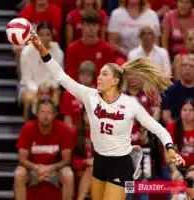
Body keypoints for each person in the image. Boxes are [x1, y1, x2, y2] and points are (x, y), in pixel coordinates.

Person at [29, 34, 185, 200]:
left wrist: (170, 148)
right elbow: (61, 76)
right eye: (100, 74)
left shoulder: (130, 104)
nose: (99, 77)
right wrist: (41, 49)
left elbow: (159, 128)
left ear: (115, 81)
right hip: (100, 161)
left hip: (121, 164)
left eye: (104, 74)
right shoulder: (90, 95)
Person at [14, 100, 74, 200]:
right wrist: (36, 168)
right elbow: (22, 159)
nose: (46, 116)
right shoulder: (27, 128)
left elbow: (67, 160)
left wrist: (50, 168)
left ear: (55, 114)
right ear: (36, 113)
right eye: (42, 112)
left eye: (49, 112)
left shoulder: (63, 129)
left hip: (55, 170)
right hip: (33, 170)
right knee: (19, 173)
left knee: (68, 174)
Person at [19, 22, 63, 121]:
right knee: (29, 99)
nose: (44, 38)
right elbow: (27, 79)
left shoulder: (58, 52)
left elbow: (57, 78)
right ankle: (28, 129)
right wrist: (39, 90)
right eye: (41, 35)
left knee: (55, 99)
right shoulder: (26, 53)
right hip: (30, 87)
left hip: (51, 87)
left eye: (48, 34)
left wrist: (47, 88)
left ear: (52, 36)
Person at [66, 12, 115, 82]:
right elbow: (71, 75)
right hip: (78, 88)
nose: (91, 28)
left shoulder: (107, 49)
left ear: (98, 27)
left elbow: (110, 75)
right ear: (82, 26)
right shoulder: (72, 48)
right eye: (88, 25)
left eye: (94, 25)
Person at [162, 53, 194, 125]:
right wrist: (178, 131)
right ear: (180, 69)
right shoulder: (169, 90)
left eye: (191, 66)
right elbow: (166, 117)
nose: (187, 68)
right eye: (184, 65)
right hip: (176, 131)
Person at [72, 109, 93, 200]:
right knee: (90, 169)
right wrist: (87, 162)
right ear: (82, 117)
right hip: (81, 171)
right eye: (87, 115)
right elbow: (74, 161)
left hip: (100, 170)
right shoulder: (75, 134)